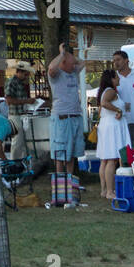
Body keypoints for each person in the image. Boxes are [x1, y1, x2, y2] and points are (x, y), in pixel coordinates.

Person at [47, 43, 86, 179]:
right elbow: (51, 67)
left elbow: (82, 63)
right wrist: (62, 54)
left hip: (75, 116)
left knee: (72, 153)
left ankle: (69, 180)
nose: (74, 65)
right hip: (62, 117)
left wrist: (72, 58)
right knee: (60, 152)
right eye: (71, 63)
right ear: (63, 62)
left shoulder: (73, 72)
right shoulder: (56, 75)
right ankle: (59, 181)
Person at [96, 69, 129, 201]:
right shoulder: (110, 91)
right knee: (112, 159)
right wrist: (118, 109)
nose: (119, 79)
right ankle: (110, 191)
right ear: (112, 79)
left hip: (105, 125)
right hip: (112, 127)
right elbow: (104, 103)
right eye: (117, 77)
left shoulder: (104, 91)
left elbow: (100, 110)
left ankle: (104, 190)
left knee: (105, 160)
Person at [4, 61, 37, 160]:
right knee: (17, 141)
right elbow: (8, 100)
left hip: (21, 115)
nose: (27, 76)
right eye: (26, 74)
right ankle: (14, 163)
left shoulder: (19, 83)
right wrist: (26, 101)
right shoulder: (12, 82)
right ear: (20, 72)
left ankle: (21, 163)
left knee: (22, 141)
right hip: (15, 115)